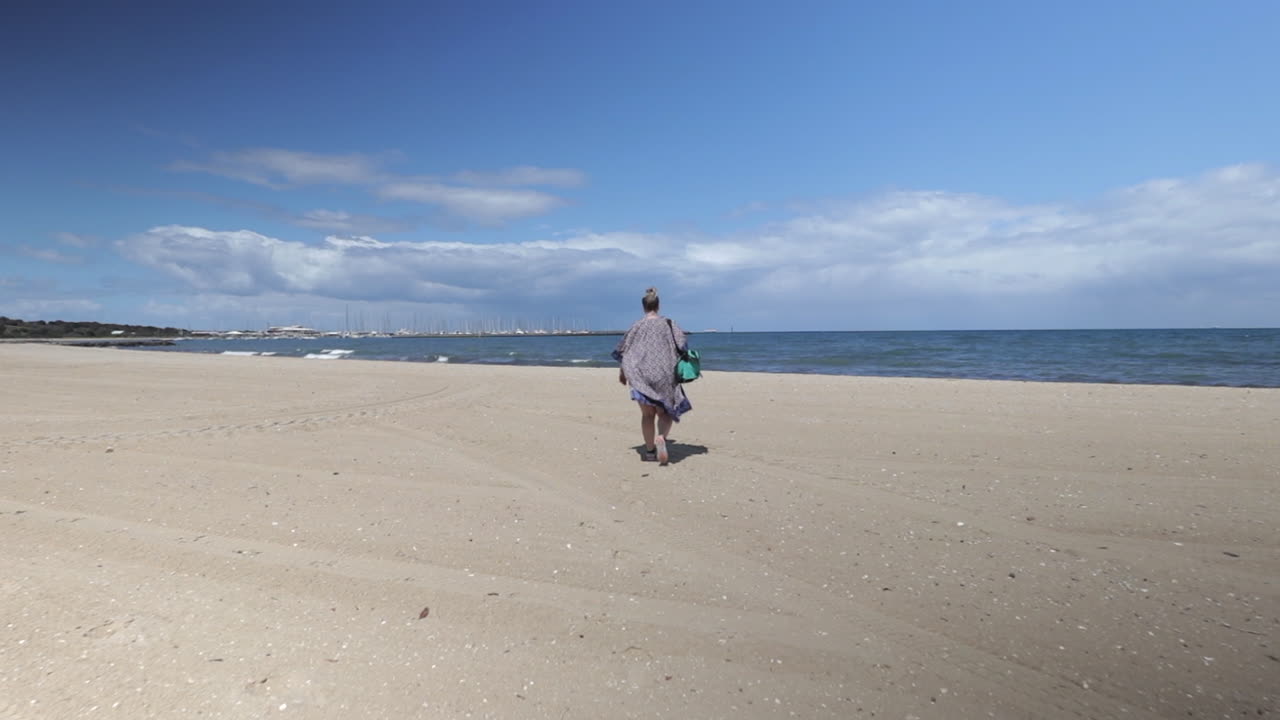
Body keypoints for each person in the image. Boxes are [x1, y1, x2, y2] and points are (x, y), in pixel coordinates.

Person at [612, 287, 692, 465]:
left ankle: (649, 452)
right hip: (665, 373)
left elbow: (624, 350)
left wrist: (623, 372)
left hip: (641, 375)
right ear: (659, 305)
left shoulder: (636, 326)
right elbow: (683, 345)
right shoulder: (669, 323)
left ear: (643, 307)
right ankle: (661, 437)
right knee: (664, 414)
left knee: (647, 415)